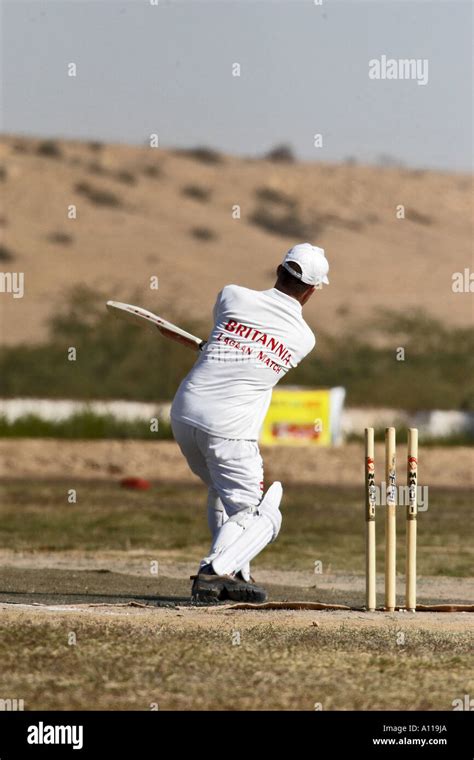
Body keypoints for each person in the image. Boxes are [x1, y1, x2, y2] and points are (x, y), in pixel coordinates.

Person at [170, 243, 330, 602]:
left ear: (278, 269)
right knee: (263, 515)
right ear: (312, 290)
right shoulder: (304, 339)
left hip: (184, 414)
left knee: (221, 491)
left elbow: (232, 344)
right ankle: (214, 571)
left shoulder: (232, 295)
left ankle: (236, 574)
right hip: (229, 429)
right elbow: (253, 359)